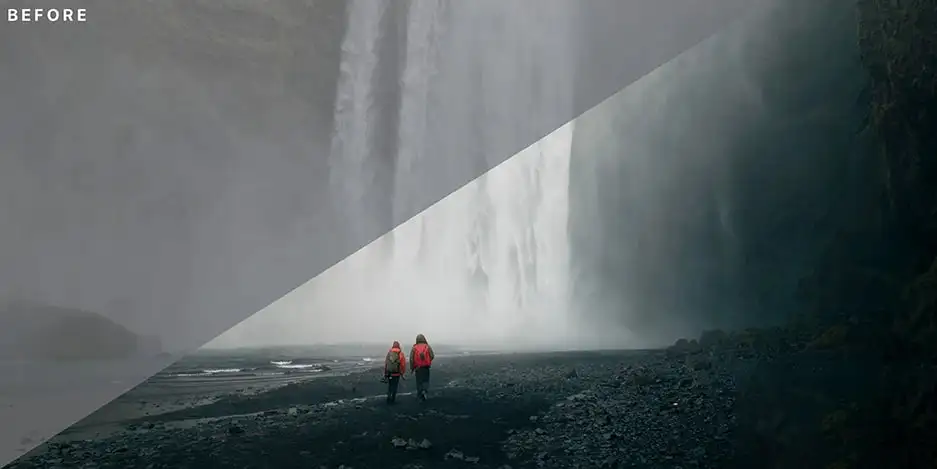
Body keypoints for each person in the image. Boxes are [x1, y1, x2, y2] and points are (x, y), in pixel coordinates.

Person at [409, 333, 435, 402]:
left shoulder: (414, 348)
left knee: (419, 381)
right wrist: (428, 361)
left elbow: (411, 359)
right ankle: (425, 392)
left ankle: (420, 394)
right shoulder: (427, 346)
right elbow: (432, 355)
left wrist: (412, 368)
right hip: (426, 367)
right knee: (425, 380)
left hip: (418, 368)